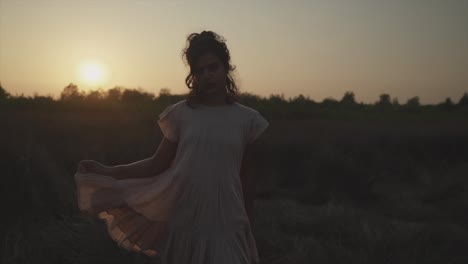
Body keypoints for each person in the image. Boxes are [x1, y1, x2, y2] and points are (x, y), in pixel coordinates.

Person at [75, 30, 269, 264]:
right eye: (199, 70)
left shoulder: (248, 120)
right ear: (193, 75)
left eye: (213, 67)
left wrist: (249, 222)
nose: (207, 75)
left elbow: (246, 180)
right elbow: (157, 164)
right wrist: (108, 171)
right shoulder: (181, 114)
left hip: (227, 220)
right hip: (186, 217)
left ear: (226, 67)